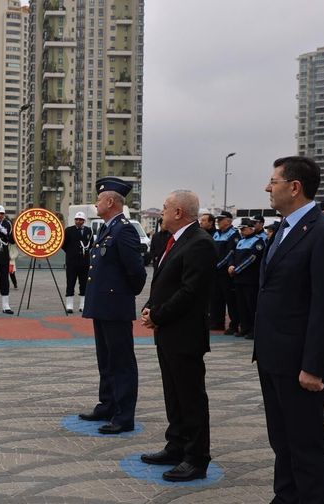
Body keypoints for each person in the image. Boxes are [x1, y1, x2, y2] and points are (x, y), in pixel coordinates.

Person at [255, 156, 324, 503]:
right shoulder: (285, 227)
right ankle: (286, 497)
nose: (268, 187)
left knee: (306, 444)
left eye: (273, 181)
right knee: (282, 440)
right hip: (273, 356)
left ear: (294, 187)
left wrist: (313, 366)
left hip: (300, 362)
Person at [140, 190, 216, 482]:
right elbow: (163, 282)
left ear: (179, 212)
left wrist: (158, 315)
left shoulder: (199, 244)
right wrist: (150, 309)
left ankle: (196, 457)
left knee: (191, 397)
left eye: (165, 207)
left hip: (185, 334)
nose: (161, 212)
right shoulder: (174, 241)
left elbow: (190, 292)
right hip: (168, 332)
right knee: (174, 394)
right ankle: (177, 445)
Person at [79, 178, 147, 435]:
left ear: (110, 202)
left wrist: (123, 295)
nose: (96, 203)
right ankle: (107, 404)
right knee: (105, 359)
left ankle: (123, 415)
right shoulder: (108, 229)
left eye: (98, 199)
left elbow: (136, 271)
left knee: (121, 362)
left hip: (115, 306)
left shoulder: (124, 230)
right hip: (103, 306)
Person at [227, 218, 265, 340]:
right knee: (241, 305)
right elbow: (232, 254)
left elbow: (252, 258)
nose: (242, 231)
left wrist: (237, 269)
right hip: (238, 280)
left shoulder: (258, 242)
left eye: (244, 229)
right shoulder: (241, 242)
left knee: (251, 305)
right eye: (241, 229)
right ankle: (244, 328)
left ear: (251, 229)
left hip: (250, 280)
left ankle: (254, 329)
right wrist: (231, 265)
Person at [211, 211, 240, 334]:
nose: (218, 221)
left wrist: (219, 265)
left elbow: (231, 252)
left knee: (230, 299)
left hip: (225, 272)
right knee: (216, 298)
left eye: (221, 219)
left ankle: (234, 324)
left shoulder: (233, 234)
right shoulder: (217, 234)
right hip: (215, 271)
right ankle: (216, 322)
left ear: (229, 221)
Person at [62, 211, 93, 313]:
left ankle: (82, 305)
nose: (78, 221)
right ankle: (69, 305)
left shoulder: (89, 231)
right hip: (72, 262)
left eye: (80, 220)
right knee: (70, 282)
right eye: (77, 219)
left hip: (84, 262)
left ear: (84, 221)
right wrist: (71, 252)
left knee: (84, 283)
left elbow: (91, 244)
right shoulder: (68, 230)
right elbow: (63, 244)